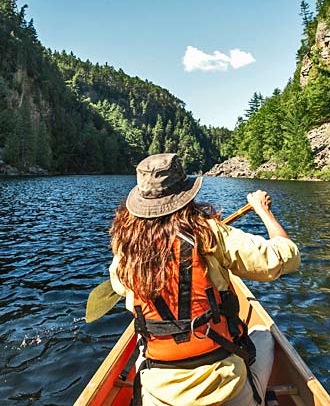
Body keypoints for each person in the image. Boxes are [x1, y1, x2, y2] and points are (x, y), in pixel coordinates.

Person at [109, 153, 300, 406]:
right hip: (225, 393)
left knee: (143, 348)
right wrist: (263, 212)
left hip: (160, 395)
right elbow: (287, 257)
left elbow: (118, 286)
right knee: (264, 334)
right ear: (185, 195)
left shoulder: (127, 247)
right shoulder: (210, 234)